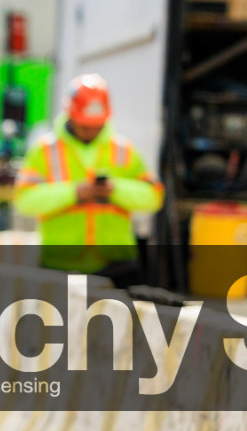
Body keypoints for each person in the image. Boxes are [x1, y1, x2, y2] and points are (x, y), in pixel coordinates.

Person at [14, 74, 163, 285]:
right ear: (70, 115)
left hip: (118, 264)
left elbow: (154, 196)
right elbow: (24, 200)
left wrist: (114, 190)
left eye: (97, 125)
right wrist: (74, 193)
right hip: (60, 263)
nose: (91, 130)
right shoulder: (44, 151)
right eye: (85, 125)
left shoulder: (124, 150)